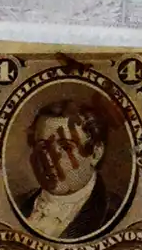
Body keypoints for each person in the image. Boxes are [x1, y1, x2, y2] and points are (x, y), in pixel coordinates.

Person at [16, 95, 125, 241]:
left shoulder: (115, 213)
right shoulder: (18, 204)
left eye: (66, 147)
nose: (50, 159)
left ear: (95, 154)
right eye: (43, 146)